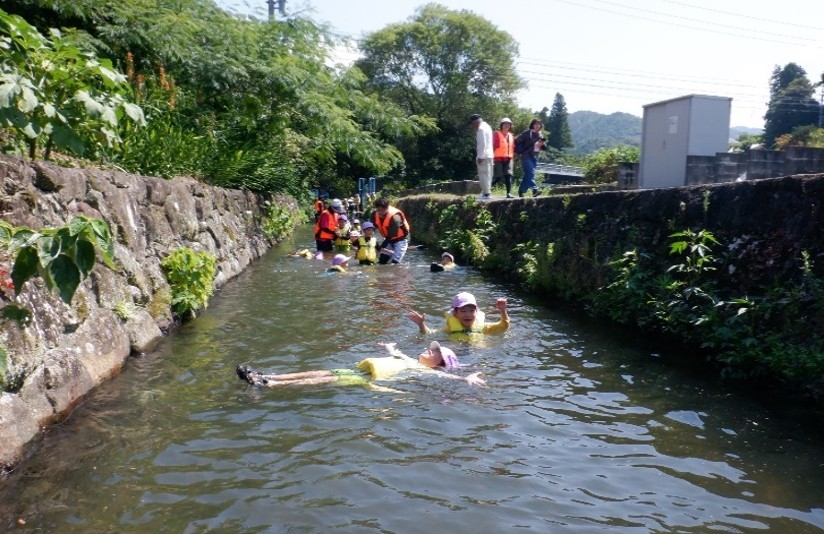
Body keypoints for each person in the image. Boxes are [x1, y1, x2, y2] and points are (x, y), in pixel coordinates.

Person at [235, 341, 485, 387]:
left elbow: (443, 377)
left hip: (365, 378)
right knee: (320, 371)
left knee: (323, 379)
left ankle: (268, 386)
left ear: (438, 363)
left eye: (433, 352)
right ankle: (270, 375)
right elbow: (394, 351)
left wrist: (465, 378)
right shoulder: (409, 359)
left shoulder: (425, 371)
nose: (427, 350)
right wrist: (388, 347)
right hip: (359, 369)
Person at [408, 291, 510, 335]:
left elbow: (503, 326)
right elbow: (429, 333)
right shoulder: (450, 328)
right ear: (455, 313)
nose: (468, 314)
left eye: (471, 311)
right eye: (463, 311)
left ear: (476, 312)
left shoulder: (483, 327)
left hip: (477, 353)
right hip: (458, 351)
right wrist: (421, 324)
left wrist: (503, 311)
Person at [371, 197, 411, 264]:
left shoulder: (396, 216)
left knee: (394, 262)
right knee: (382, 261)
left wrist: (380, 247)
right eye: (378, 210)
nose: (380, 212)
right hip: (389, 239)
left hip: (401, 239)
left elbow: (393, 233)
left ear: (387, 208)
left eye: (382, 210)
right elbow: (372, 228)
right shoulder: (374, 214)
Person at [514, 119, 547, 198]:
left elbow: (544, 148)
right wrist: (519, 151)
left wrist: (542, 144)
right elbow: (516, 140)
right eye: (536, 124)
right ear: (532, 125)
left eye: (539, 124)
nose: (537, 125)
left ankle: (521, 191)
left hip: (535, 157)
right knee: (531, 173)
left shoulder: (540, 135)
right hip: (526, 156)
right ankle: (535, 189)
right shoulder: (528, 133)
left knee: (528, 175)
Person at [469, 113, 494, 199]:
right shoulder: (487, 126)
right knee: (489, 174)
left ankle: (486, 194)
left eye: (472, 123)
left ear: (475, 121)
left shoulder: (481, 129)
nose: (472, 125)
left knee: (483, 174)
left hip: (484, 156)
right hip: (490, 154)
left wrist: (480, 156)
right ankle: (486, 192)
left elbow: (482, 143)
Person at [492, 118, 515, 199]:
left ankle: (508, 193)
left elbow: (513, 147)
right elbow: (492, 145)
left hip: (509, 158)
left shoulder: (511, 135)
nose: (507, 125)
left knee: (508, 175)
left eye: (508, 124)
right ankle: (486, 191)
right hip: (498, 158)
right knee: (498, 176)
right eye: (505, 124)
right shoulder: (496, 134)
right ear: (501, 125)